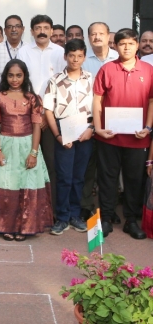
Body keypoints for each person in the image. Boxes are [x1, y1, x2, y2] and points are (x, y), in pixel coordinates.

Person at [93, 28, 153, 240]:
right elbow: (97, 100)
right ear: (115, 46)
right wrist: (98, 128)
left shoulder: (149, 70)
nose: (126, 47)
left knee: (134, 180)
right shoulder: (107, 69)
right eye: (121, 43)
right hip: (108, 136)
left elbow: (152, 101)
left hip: (138, 137)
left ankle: (131, 221)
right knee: (107, 179)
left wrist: (148, 127)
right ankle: (106, 219)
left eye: (130, 43)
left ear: (137, 45)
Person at [0, 59, 52, 241]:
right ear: (5, 77)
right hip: (5, 145)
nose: (14, 79)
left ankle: (25, 226)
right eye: (11, 75)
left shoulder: (32, 98)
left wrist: (34, 152)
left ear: (25, 76)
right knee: (7, 185)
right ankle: (6, 226)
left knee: (26, 185)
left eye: (18, 75)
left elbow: (37, 126)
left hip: (27, 145)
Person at [43, 39, 94, 235]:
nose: (75, 59)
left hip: (85, 134)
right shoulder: (55, 80)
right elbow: (48, 110)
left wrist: (92, 128)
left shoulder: (91, 79)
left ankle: (75, 215)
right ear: (65, 56)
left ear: (84, 56)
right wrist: (57, 135)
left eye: (79, 56)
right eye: (71, 55)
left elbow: (98, 108)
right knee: (64, 177)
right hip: (63, 134)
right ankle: (62, 217)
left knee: (79, 177)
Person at [18, 14, 66, 215]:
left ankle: (50, 210)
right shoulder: (24, 51)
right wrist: (37, 112)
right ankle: (27, 207)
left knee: (52, 164)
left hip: (52, 117)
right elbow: (21, 83)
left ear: (51, 30)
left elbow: (63, 85)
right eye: (37, 27)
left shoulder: (60, 52)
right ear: (31, 31)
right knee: (27, 161)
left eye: (46, 27)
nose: (42, 31)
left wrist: (47, 115)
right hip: (27, 115)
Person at [80, 22, 119, 222]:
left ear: (108, 35)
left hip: (114, 122)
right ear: (88, 38)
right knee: (88, 167)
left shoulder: (118, 58)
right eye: (93, 34)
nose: (97, 37)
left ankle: (107, 211)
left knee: (108, 170)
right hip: (88, 120)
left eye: (100, 34)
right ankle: (86, 206)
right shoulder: (83, 61)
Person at [0, 15, 26, 89]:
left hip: (23, 96)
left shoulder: (29, 49)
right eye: (10, 27)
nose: (14, 29)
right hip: (0, 97)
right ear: (5, 30)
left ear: (23, 29)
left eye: (17, 26)